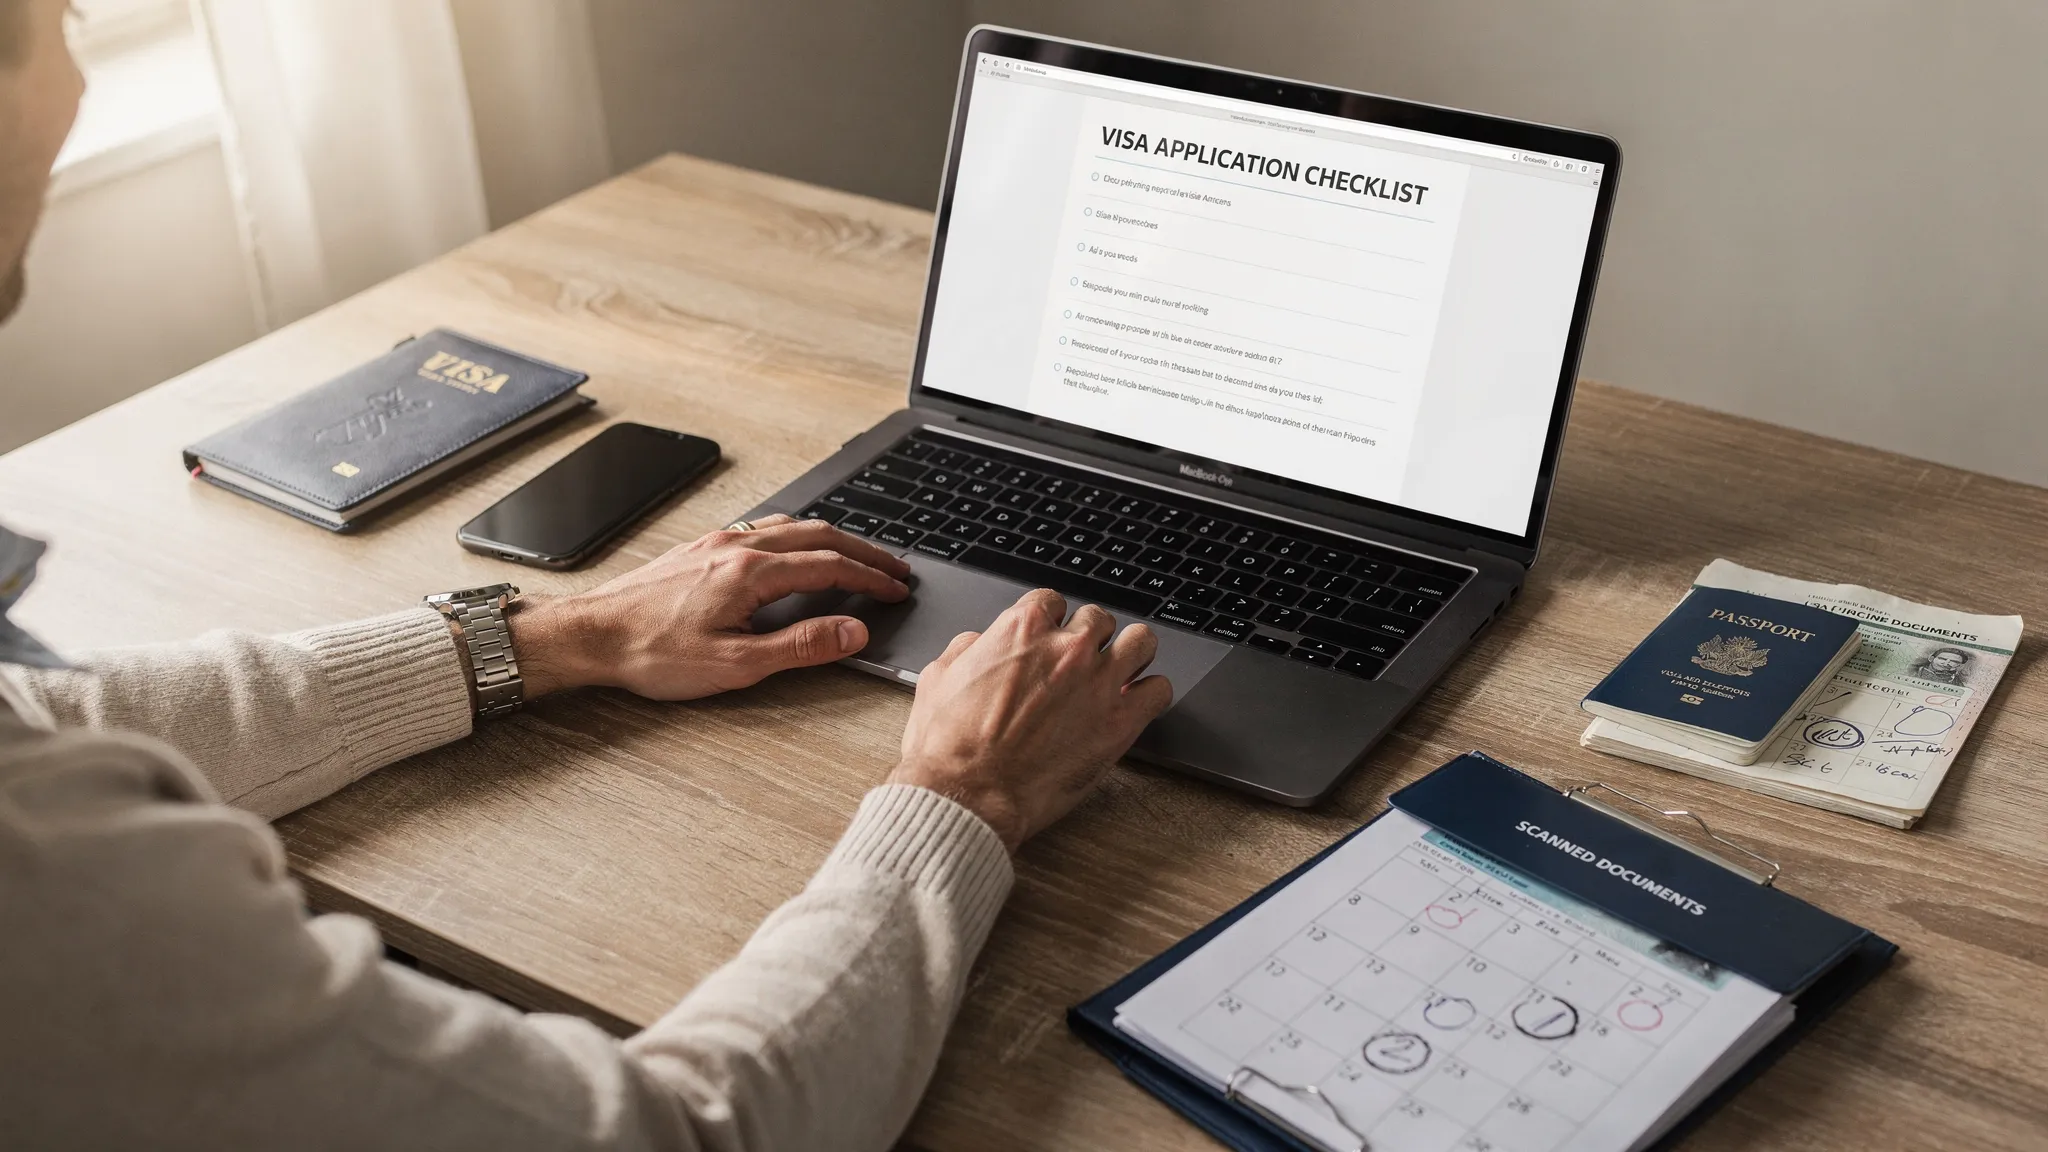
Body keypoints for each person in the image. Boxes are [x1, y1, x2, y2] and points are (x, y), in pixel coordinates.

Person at [0, 1, 1172, 1147]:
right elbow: (695, 1131)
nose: (82, 76)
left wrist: (564, 636)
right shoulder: (57, 884)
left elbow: (49, 715)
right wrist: (966, 792)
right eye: (71, 22)